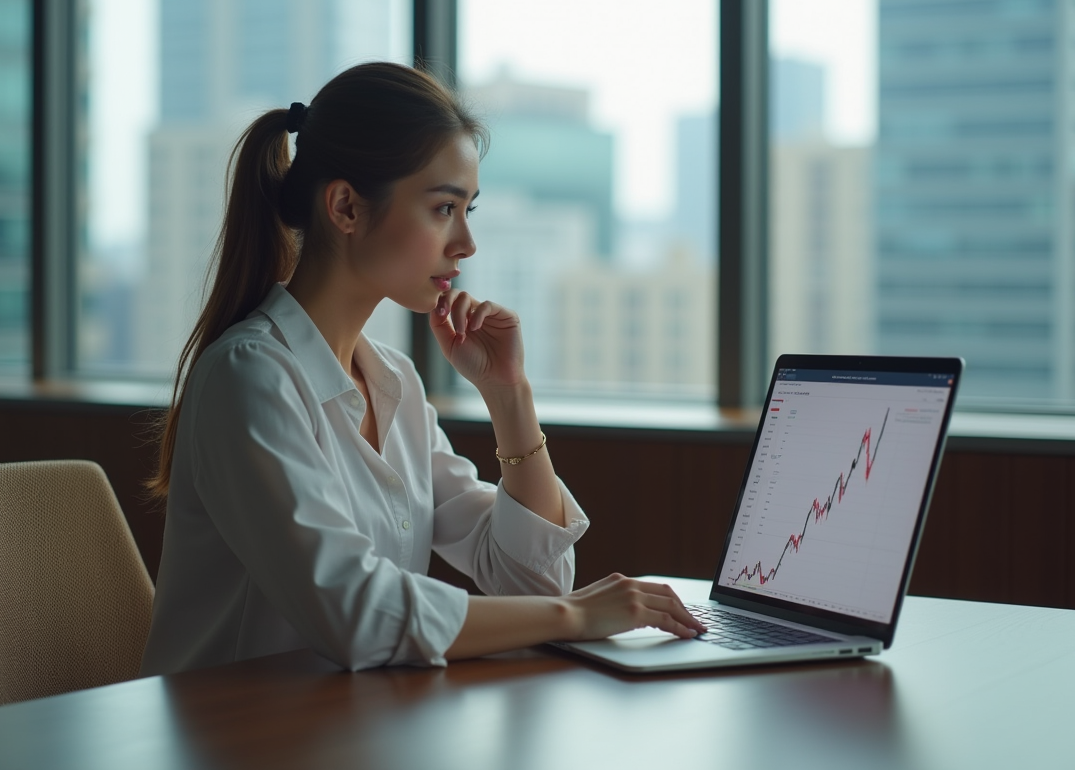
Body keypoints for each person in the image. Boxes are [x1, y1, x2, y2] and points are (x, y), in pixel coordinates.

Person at [140, 62, 704, 675]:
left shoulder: (394, 382)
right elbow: (354, 613)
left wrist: (509, 396)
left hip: (347, 730)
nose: (465, 243)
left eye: (469, 211)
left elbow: (531, 582)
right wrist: (579, 616)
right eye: (443, 209)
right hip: (237, 741)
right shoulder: (248, 378)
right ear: (347, 207)